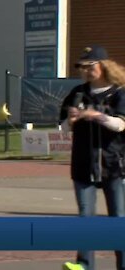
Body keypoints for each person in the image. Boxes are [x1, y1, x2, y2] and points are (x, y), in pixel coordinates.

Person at [60, 46, 125, 270]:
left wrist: (95, 115)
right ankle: (84, 264)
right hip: (83, 165)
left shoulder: (119, 92)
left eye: (91, 66)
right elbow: (63, 128)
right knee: (85, 218)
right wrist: (71, 120)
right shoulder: (77, 93)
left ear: (104, 65)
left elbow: (120, 124)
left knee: (118, 219)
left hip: (114, 166)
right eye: (82, 67)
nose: (86, 71)